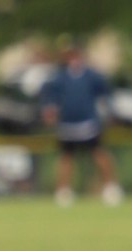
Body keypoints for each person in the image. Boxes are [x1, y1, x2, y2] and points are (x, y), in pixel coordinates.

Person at [40, 41, 123, 203]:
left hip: (88, 123)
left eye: (75, 54)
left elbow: (106, 93)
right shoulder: (60, 77)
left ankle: (110, 187)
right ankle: (63, 191)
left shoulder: (92, 76)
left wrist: (111, 112)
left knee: (99, 153)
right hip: (67, 124)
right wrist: (48, 111)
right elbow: (49, 98)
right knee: (66, 157)